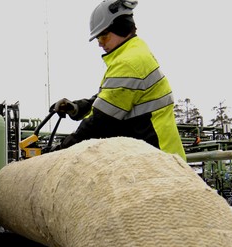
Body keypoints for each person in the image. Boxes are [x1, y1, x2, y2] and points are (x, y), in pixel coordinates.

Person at [51, 0, 186, 160]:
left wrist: (58, 152)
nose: (100, 44)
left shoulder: (129, 62)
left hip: (159, 159)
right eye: (98, 39)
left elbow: (100, 122)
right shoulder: (133, 53)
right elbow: (111, 100)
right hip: (156, 155)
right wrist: (77, 108)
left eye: (104, 36)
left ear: (121, 27)